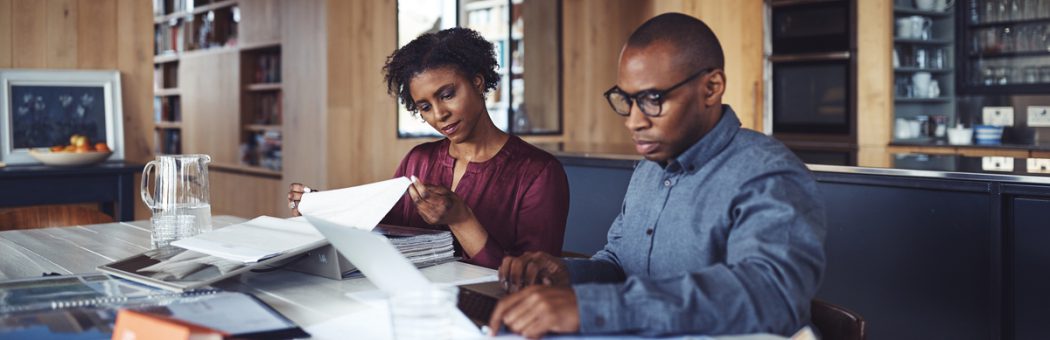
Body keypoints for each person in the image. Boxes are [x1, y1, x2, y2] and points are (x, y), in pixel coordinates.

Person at [489, 13, 827, 338]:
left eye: (652, 99)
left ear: (711, 88)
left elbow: (771, 298)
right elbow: (622, 264)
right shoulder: (650, 168)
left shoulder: (768, 174)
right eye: (627, 100)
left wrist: (593, 306)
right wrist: (566, 274)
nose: (633, 121)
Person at [288, 27, 570, 269]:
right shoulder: (418, 161)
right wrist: (325, 209)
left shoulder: (538, 173)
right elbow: (383, 237)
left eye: (447, 95)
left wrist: (462, 219)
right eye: (424, 107)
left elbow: (535, 283)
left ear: (477, 82)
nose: (439, 114)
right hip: (416, 305)